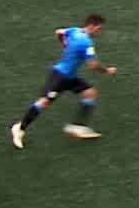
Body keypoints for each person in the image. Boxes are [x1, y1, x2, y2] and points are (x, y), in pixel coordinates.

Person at [10, 13, 117, 149]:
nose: (99, 32)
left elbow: (59, 32)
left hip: (69, 76)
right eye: (99, 28)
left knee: (90, 93)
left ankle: (77, 127)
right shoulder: (86, 42)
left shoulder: (74, 30)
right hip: (59, 76)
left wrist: (64, 45)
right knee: (44, 102)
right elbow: (92, 65)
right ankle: (19, 128)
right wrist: (107, 70)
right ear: (91, 25)